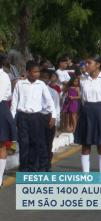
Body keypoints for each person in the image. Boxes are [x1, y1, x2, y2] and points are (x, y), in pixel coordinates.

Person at [11, 61, 56, 172]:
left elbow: (49, 101)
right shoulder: (20, 84)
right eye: (34, 72)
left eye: (38, 72)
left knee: (35, 143)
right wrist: (12, 119)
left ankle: (32, 168)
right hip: (22, 117)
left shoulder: (41, 85)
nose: (37, 74)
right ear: (27, 72)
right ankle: (23, 169)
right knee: (23, 143)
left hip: (36, 117)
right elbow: (14, 102)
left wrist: (53, 116)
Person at [74, 56, 101, 173]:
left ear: (97, 65)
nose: (86, 65)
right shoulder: (83, 79)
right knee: (85, 146)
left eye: (89, 63)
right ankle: (85, 175)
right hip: (87, 112)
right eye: (85, 62)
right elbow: (82, 99)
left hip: (100, 112)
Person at [39, 69, 60, 171]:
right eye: (41, 77)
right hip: (37, 118)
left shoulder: (53, 92)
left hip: (49, 118)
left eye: (46, 78)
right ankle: (39, 165)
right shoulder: (34, 91)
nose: (43, 80)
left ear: (49, 79)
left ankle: (47, 164)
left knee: (48, 143)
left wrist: (55, 120)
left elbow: (57, 108)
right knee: (39, 143)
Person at [0, 54, 16, 186]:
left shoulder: (3, 76)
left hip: (1, 107)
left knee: (1, 144)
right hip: (3, 107)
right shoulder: (5, 75)